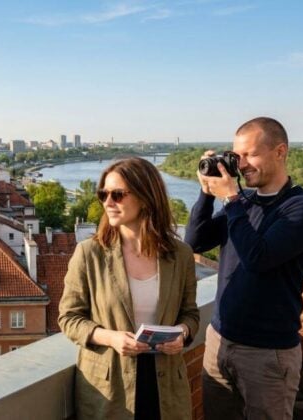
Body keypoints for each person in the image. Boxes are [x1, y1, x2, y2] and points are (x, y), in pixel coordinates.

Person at [185, 117, 303, 420]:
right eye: (237, 156)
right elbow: (194, 241)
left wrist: (231, 197)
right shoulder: (244, 203)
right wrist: (207, 194)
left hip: (267, 354)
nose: (242, 164)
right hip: (219, 341)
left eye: (251, 154)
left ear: (280, 151)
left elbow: (258, 258)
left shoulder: (302, 207)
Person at [59, 157, 199, 419]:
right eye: (104, 194)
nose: (107, 202)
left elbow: (190, 314)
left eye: (118, 195)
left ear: (146, 197)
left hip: (165, 381)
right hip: (111, 387)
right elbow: (68, 318)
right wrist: (110, 337)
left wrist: (181, 333)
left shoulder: (180, 254)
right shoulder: (90, 253)